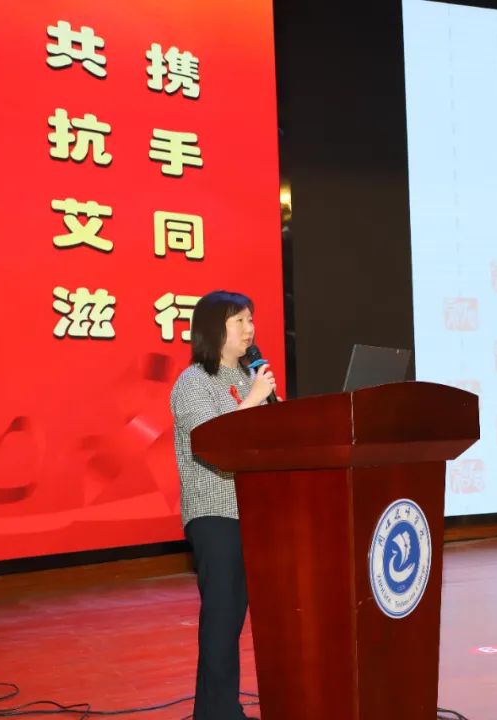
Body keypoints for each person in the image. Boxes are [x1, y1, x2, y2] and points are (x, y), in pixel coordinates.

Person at [169, 290, 276, 720]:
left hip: (255, 511)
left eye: (251, 319)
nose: (250, 329)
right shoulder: (193, 382)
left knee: (233, 619)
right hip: (215, 512)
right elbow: (212, 441)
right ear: (215, 328)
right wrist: (254, 399)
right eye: (239, 321)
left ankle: (217, 711)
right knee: (222, 618)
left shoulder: (252, 378)